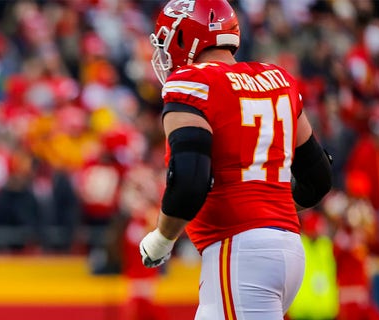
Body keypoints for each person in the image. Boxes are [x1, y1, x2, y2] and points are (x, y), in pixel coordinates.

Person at [138, 0, 333, 319]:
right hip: (286, 247)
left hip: (238, 250)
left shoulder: (192, 83)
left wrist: (162, 239)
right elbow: (318, 179)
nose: (163, 52)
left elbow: (189, 181)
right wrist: (267, 210)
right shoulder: (278, 79)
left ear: (185, 38)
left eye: (167, 39)